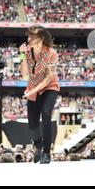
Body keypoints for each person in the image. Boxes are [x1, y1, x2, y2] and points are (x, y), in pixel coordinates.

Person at [19, 25, 60, 164]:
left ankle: (47, 153)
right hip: (32, 88)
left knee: (46, 113)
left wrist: (32, 91)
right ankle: (39, 145)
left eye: (32, 37)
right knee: (32, 126)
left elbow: (49, 78)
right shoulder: (28, 52)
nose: (28, 39)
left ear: (41, 38)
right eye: (28, 36)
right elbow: (24, 74)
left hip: (49, 87)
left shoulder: (52, 53)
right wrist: (22, 55)